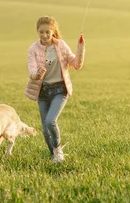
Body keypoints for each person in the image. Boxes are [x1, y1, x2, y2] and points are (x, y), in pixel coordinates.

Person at [25, 15, 85, 163]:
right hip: (43, 92)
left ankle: (58, 152)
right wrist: (36, 75)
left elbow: (76, 64)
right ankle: (53, 155)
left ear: (53, 32)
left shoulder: (61, 45)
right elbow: (31, 70)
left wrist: (80, 48)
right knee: (45, 130)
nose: (44, 35)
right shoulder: (33, 49)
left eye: (47, 32)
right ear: (37, 32)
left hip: (60, 90)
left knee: (50, 121)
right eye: (41, 32)